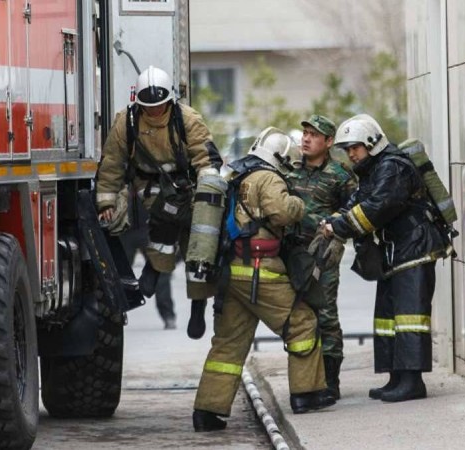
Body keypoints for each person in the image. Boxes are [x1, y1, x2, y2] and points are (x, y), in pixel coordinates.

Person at [193, 128, 334, 432]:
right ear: (282, 158)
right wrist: (298, 204)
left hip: (232, 274)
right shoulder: (268, 178)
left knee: (228, 345)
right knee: (302, 323)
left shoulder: (238, 175)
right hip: (261, 270)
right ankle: (306, 395)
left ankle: (208, 411)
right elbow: (282, 213)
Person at [320, 114, 445, 403]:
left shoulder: (392, 167)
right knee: (389, 317)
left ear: (372, 143)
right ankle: (396, 377)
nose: (351, 154)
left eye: (355, 148)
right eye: (347, 149)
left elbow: (377, 208)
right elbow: (358, 201)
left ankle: (413, 382)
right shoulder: (374, 167)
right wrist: (334, 218)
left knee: (410, 317)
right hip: (396, 251)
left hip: (415, 248)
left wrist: (338, 226)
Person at [96, 66, 222, 339]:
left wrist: (208, 192)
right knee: (164, 225)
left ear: (169, 101)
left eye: (159, 106)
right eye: (148, 107)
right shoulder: (126, 123)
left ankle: (198, 307)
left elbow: (206, 156)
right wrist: (106, 202)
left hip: (190, 187)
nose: (154, 112)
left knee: (198, 248)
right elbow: (112, 164)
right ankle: (155, 268)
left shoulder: (187, 119)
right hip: (152, 187)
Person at [286, 114, 357, 400]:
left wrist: (335, 231)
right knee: (300, 316)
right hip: (293, 253)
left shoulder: (341, 175)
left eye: (314, 135)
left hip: (323, 256)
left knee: (325, 314)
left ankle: (330, 382)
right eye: (305, 133)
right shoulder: (289, 170)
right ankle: (307, 379)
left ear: (328, 142)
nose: (306, 139)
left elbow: (354, 212)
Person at [118, 198, 177, 330]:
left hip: (148, 227)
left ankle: (168, 315)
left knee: (160, 272)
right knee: (118, 275)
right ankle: (115, 314)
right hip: (126, 229)